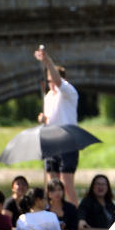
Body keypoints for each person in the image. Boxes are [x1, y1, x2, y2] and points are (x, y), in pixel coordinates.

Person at [34, 46, 80, 205]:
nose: (50, 83)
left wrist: (47, 61)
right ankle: (52, 215)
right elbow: (51, 118)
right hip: (51, 141)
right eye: (49, 81)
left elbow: (58, 80)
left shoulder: (68, 91)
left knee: (66, 186)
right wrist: (43, 119)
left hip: (67, 140)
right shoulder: (48, 96)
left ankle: (75, 218)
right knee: (51, 185)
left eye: (52, 80)